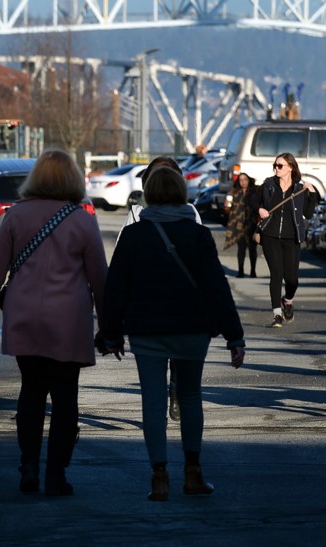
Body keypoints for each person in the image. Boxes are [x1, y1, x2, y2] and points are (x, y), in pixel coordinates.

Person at [103, 166, 246, 502]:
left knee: (152, 401)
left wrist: (111, 333)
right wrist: (234, 336)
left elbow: (115, 288)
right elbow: (216, 288)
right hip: (192, 329)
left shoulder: (134, 235)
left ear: (149, 195)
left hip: (147, 331)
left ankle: (159, 478)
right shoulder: (197, 235)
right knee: (191, 396)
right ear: (183, 193)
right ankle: (193, 474)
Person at [0, 149, 109, 497]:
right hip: (69, 321)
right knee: (66, 400)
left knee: (31, 392)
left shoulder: (16, 216)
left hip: (25, 318)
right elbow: (99, 279)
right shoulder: (82, 220)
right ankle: (56, 474)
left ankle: (29, 467)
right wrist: (110, 326)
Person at [118, 156, 201, 422]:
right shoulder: (135, 214)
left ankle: (174, 396)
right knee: (163, 366)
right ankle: (183, 457)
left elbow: (204, 267)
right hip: (156, 309)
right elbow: (121, 265)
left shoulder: (191, 213)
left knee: (174, 364)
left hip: (168, 309)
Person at [250, 153, 319, 328]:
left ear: (290, 167)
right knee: (276, 274)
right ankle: (277, 315)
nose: (276, 168)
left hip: (291, 238)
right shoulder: (268, 184)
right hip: (270, 235)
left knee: (292, 279)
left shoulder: (299, 189)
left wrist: (312, 194)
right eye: (275, 165)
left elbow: (308, 214)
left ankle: (287, 300)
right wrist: (259, 210)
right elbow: (252, 201)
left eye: (280, 165)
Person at [223, 172, 259, 278]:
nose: (243, 182)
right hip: (238, 225)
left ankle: (253, 271)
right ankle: (240, 271)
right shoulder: (234, 193)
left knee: (252, 249)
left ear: (249, 180)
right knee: (241, 248)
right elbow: (228, 210)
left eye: (245, 180)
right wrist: (226, 207)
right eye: (241, 180)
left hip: (251, 223)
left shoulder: (254, 192)